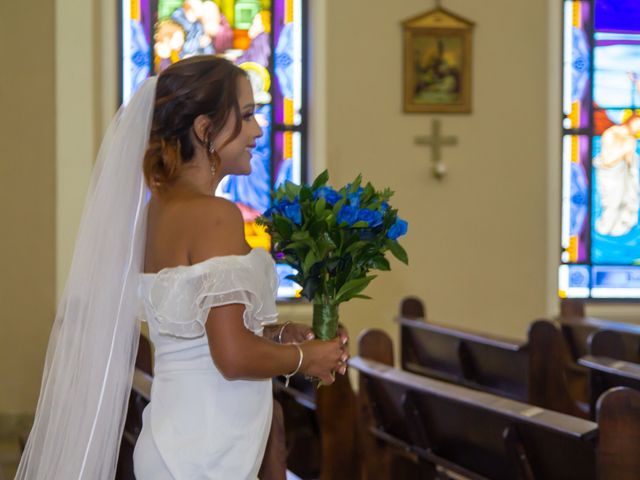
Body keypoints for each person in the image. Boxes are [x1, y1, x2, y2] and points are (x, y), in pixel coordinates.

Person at [16, 55, 348, 479]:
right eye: (246, 116)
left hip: (184, 442)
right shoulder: (215, 215)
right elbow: (230, 356)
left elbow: (197, 331)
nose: (258, 131)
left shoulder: (157, 212)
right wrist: (305, 358)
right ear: (204, 130)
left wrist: (279, 334)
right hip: (206, 454)